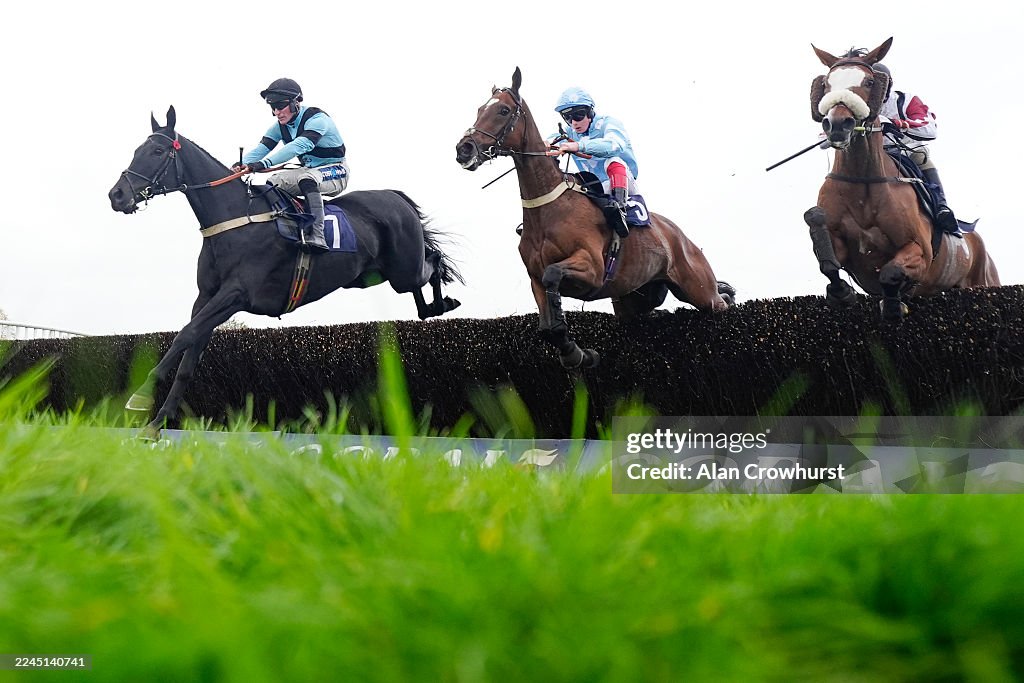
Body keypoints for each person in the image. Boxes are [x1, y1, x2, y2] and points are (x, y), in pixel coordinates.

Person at [233, 78, 349, 251]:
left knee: (307, 178)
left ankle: (318, 235)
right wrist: (241, 164)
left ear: (296, 103)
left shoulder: (317, 119)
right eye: (273, 108)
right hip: (309, 170)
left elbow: (299, 146)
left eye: (280, 106)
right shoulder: (279, 127)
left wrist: (262, 164)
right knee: (273, 183)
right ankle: (289, 229)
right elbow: (262, 149)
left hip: (336, 171)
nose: (277, 112)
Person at [873, 63, 959, 233]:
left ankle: (941, 206)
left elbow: (929, 127)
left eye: (880, 83)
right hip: (872, 154)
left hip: (905, 150)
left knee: (921, 156)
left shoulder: (906, 100)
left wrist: (897, 124)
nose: (876, 89)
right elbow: (828, 131)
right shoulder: (857, 104)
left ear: (889, 83)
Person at [546, 87, 639, 237]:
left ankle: (619, 209)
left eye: (578, 115)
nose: (574, 122)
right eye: (567, 117)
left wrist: (578, 145)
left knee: (613, 160)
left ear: (590, 112)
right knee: (570, 181)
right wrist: (543, 144)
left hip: (623, 183)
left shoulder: (608, 123)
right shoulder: (569, 132)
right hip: (595, 188)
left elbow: (615, 145)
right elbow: (550, 139)